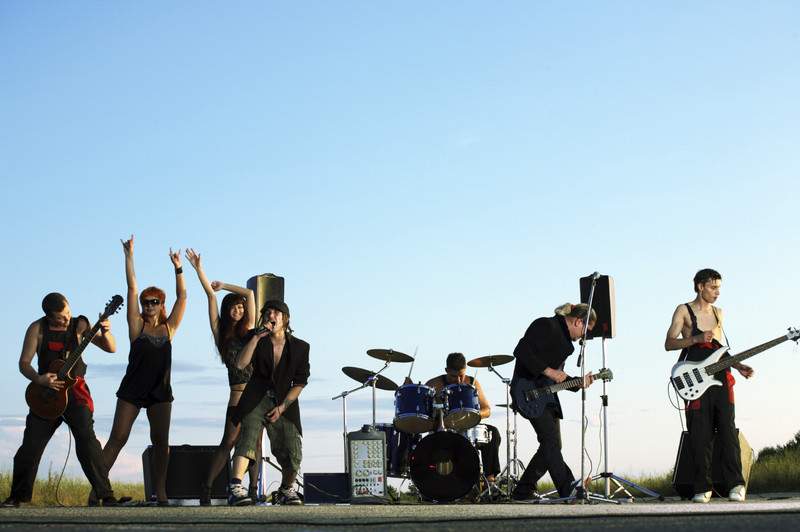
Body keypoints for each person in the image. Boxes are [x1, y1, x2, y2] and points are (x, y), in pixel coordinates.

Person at [2, 293, 119, 508]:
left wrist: (106, 331)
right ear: (49, 317)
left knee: (87, 440)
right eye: (61, 318)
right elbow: (24, 363)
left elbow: (111, 348)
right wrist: (39, 379)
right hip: (46, 394)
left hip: (75, 393)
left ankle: (106, 494)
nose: (66, 319)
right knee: (30, 446)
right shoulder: (36, 329)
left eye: (68, 313)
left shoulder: (80, 324)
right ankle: (16, 497)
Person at [99, 235, 187, 506]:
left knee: (161, 442)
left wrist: (178, 268)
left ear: (161, 305)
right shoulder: (136, 326)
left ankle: (160, 492)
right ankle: (98, 489)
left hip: (160, 391)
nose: (148, 306)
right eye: (146, 302)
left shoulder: (169, 328)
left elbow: (183, 295)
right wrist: (129, 256)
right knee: (118, 438)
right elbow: (132, 287)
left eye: (154, 302)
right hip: (132, 389)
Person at [664, 268, 753, 503]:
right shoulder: (683, 310)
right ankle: (702, 487)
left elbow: (720, 350)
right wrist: (695, 339)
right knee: (700, 433)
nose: (717, 293)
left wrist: (738, 365)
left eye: (719, 288)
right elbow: (669, 343)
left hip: (720, 376)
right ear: (700, 286)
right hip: (695, 377)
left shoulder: (718, 313)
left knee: (727, 429)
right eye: (713, 288)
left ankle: (736, 484)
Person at [185, 248, 262, 505]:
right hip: (237, 395)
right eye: (234, 307)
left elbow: (250, 293)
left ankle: (253, 492)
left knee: (256, 445)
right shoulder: (221, 333)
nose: (238, 311)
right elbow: (210, 296)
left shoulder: (250, 329)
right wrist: (200, 270)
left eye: (241, 308)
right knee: (228, 441)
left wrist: (227, 285)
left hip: (257, 394)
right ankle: (206, 488)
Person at [509, 302, 596, 501]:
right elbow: (521, 351)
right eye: (585, 330)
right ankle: (568, 489)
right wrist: (549, 371)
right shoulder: (545, 325)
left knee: (552, 445)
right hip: (526, 390)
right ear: (578, 321)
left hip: (547, 395)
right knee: (550, 442)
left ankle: (523, 491)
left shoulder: (567, 346)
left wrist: (578, 383)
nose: (584, 337)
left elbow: (557, 378)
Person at [226, 300, 309, 506]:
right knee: (249, 434)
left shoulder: (300, 347)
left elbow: (300, 382)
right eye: (268, 312)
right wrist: (256, 337)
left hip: (284, 400)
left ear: (285, 319)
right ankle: (235, 487)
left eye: (276, 313)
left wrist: (282, 408)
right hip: (257, 395)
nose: (271, 316)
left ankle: (285, 490)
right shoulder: (256, 337)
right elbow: (240, 364)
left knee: (292, 448)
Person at [420, 353, 501, 485]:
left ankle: (490, 480)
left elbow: (487, 409)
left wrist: (474, 415)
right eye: (453, 376)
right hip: (443, 428)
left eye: (461, 375)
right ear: (446, 371)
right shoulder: (434, 385)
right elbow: (424, 415)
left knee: (493, 434)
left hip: (469, 426)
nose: (458, 380)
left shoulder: (472, 382)